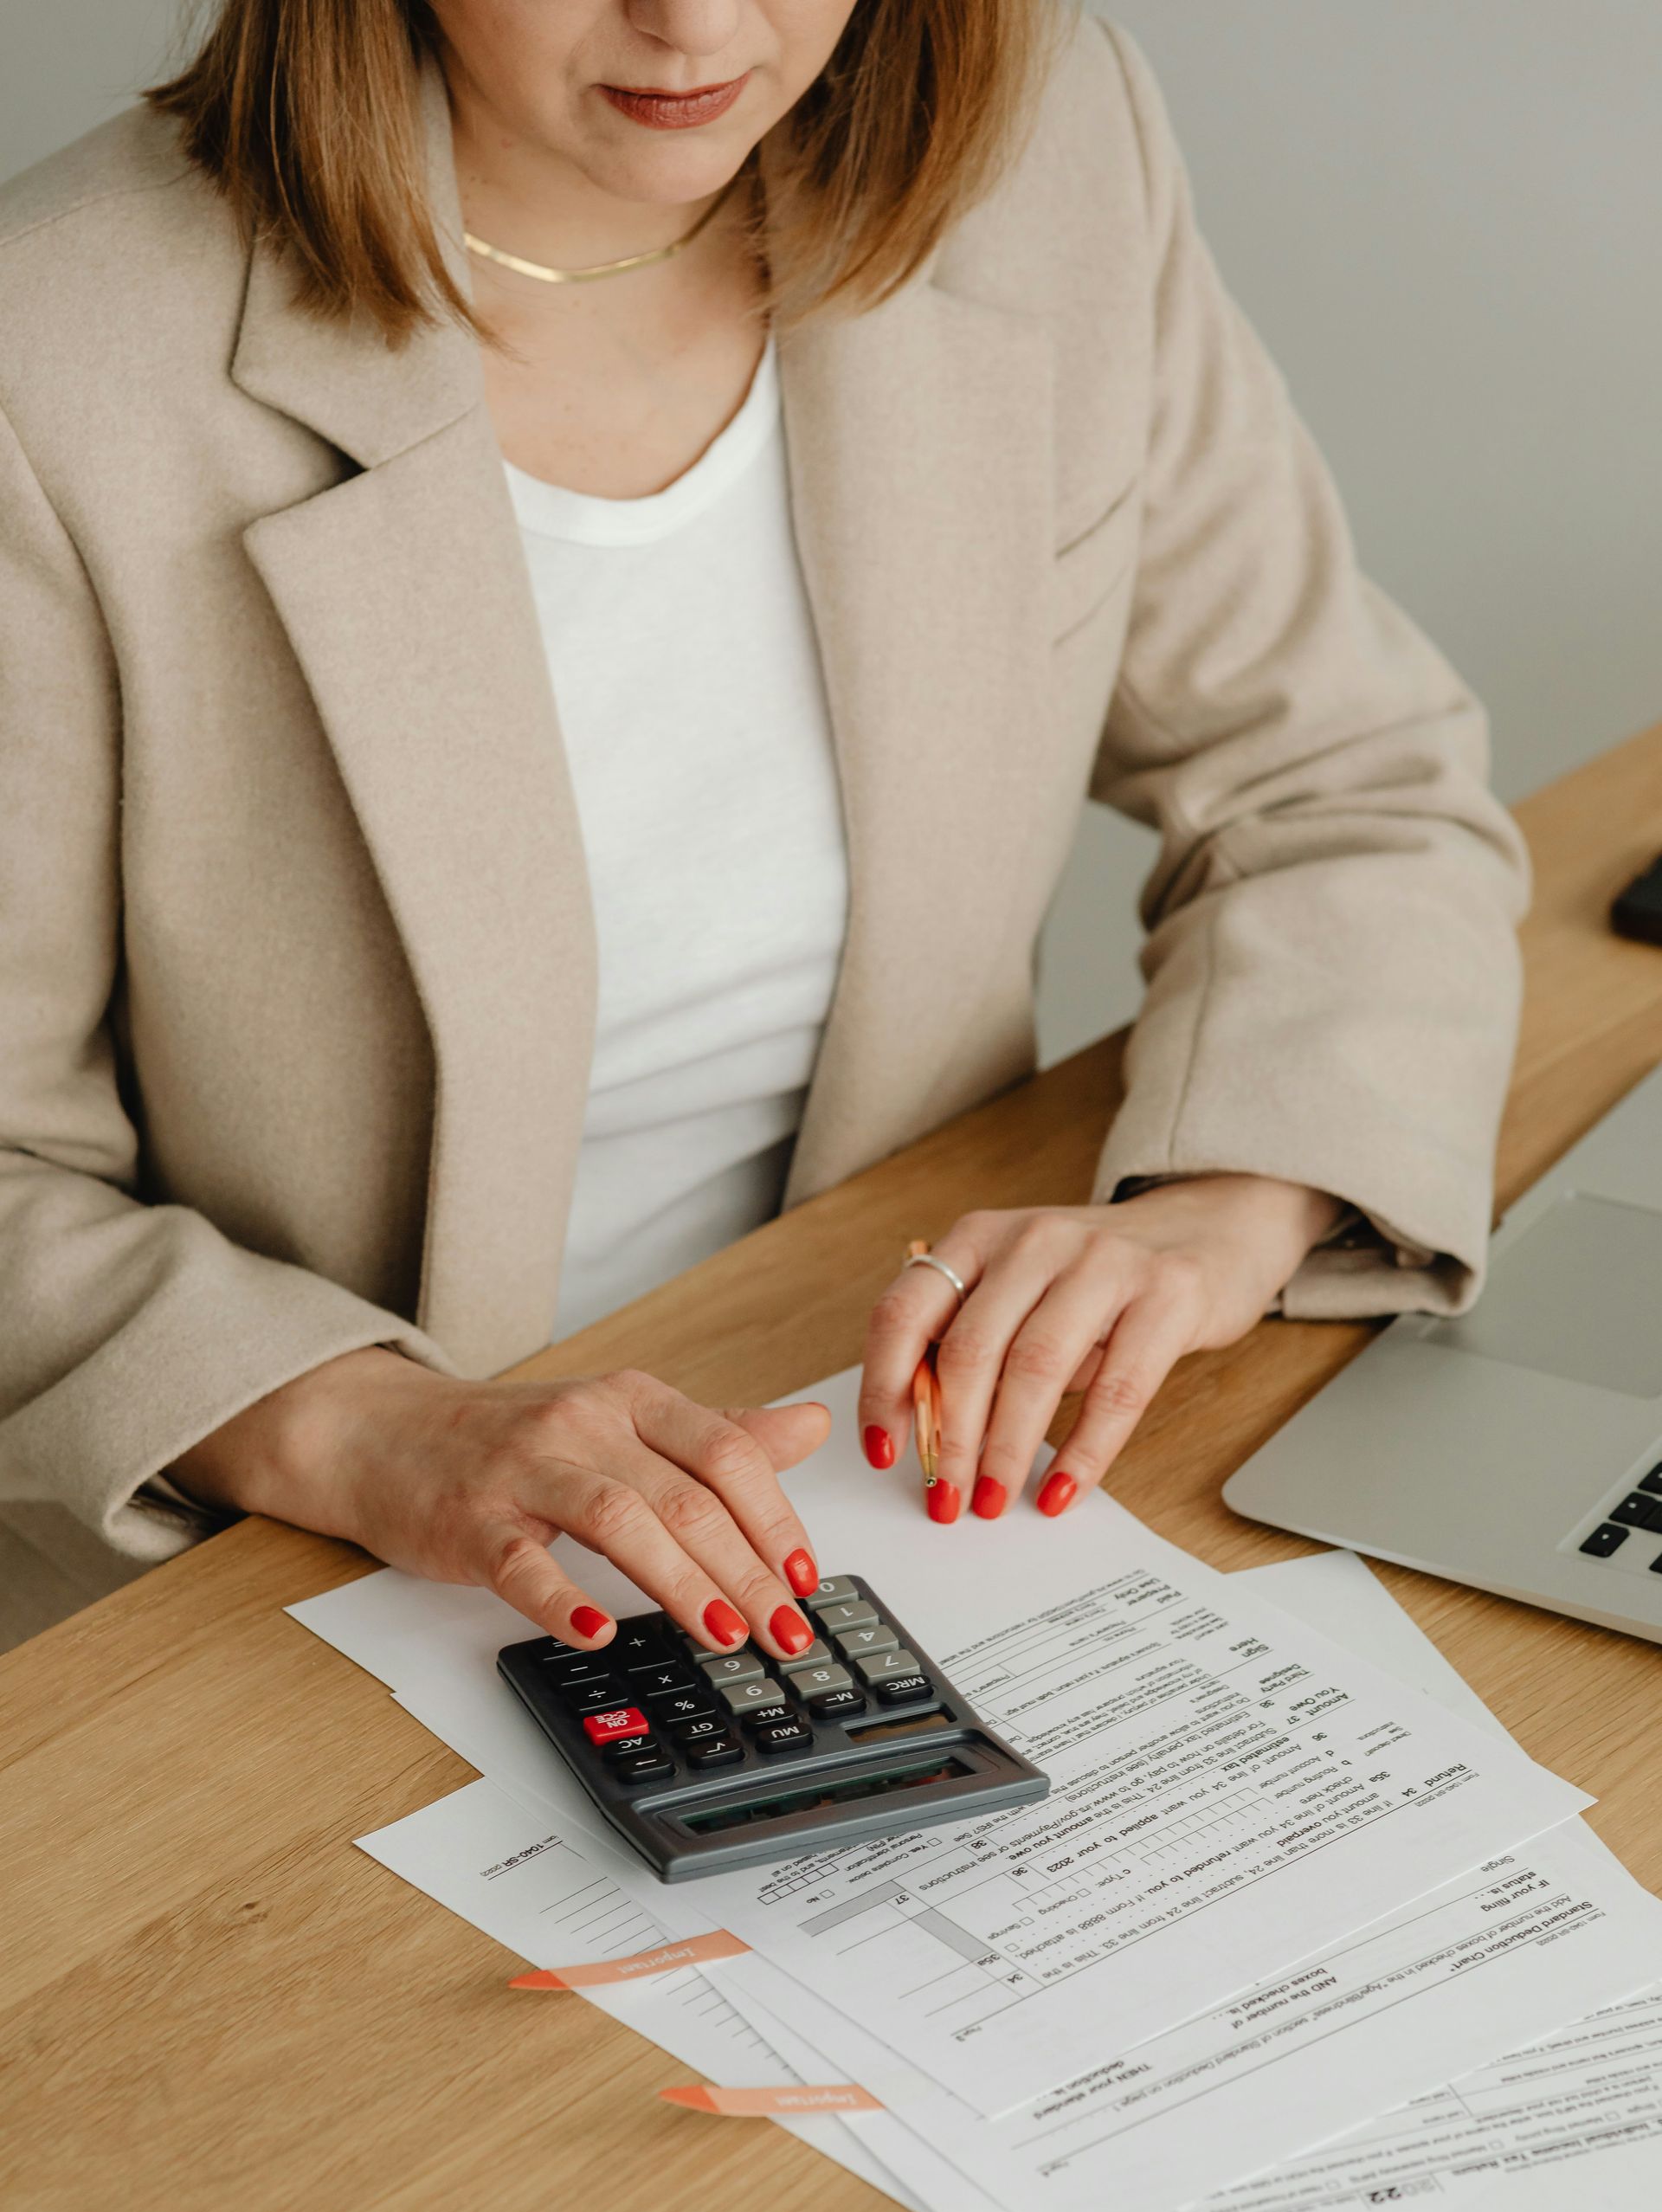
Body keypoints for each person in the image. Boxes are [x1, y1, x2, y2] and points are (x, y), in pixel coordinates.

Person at [0, 0, 1526, 1659]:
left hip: (915, 1476)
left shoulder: (1047, 146)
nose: (700, 23)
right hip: (299, 1569)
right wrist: (364, 1429)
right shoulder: (56, 359)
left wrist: (1228, 1206)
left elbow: (1341, 777)